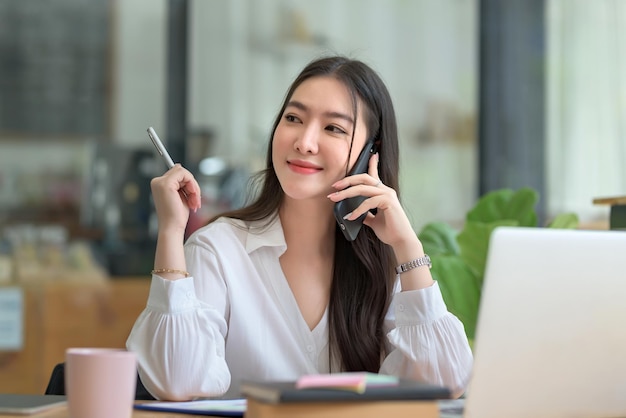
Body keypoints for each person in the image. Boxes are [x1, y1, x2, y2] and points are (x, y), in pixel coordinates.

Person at [126, 55, 473, 401]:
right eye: (293, 118)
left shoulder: (386, 265)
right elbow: (176, 380)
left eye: (333, 128)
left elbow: (443, 384)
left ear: (371, 152)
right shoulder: (218, 251)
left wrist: (407, 245)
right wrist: (172, 230)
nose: (304, 142)